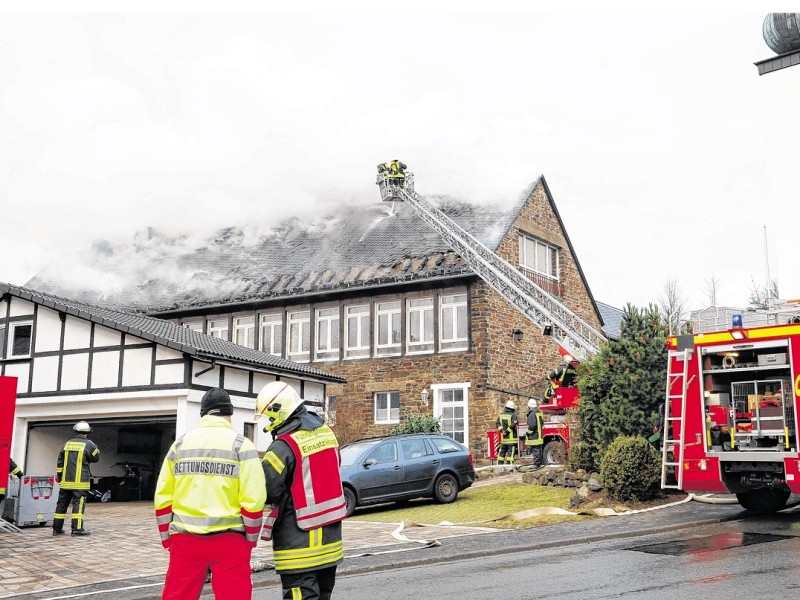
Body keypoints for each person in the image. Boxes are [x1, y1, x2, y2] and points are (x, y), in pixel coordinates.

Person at [154, 388, 266, 600]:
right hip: (230, 541)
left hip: (185, 541)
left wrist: (167, 538)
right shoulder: (242, 446)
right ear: (230, 414)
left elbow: (163, 496)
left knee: (178, 596)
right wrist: (249, 540)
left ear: (203, 414)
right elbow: (253, 500)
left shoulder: (180, 445)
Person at [254, 381, 347, 600]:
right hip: (331, 542)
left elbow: (268, 490)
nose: (269, 422)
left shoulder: (282, 447)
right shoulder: (327, 434)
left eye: (269, 416)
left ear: (278, 411)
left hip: (298, 547)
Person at [53, 421, 100, 536]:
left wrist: (61, 478)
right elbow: (96, 458)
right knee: (78, 506)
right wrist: (95, 448)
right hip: (80, 483)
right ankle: (77, 529)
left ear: (76, 431)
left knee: (61, 505)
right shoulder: (89, 444)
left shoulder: (67, 443)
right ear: (88, 432)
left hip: (65, 482)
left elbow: (60, 464)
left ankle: (56, 529)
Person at [495, 399, 519, 466]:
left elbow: (497, 424)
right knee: (510, 454)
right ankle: (509, 466)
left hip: (504, 439)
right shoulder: (513, 415)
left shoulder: (501, 415)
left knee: (501, 453)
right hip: (512, 440)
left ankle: (499, 465)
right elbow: (514, 424)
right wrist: (507, 431)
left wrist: (502, 430)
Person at [525, 399, 544, 468]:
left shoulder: (532, 414)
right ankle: (539, 462)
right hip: (539, 435)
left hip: (534, 436)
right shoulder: (538, 413)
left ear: (529, 407)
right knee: (538, 449)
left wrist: (527, 433)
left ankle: (536, 464)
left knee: (535, 450)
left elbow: (532, 426)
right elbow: (542, 423)